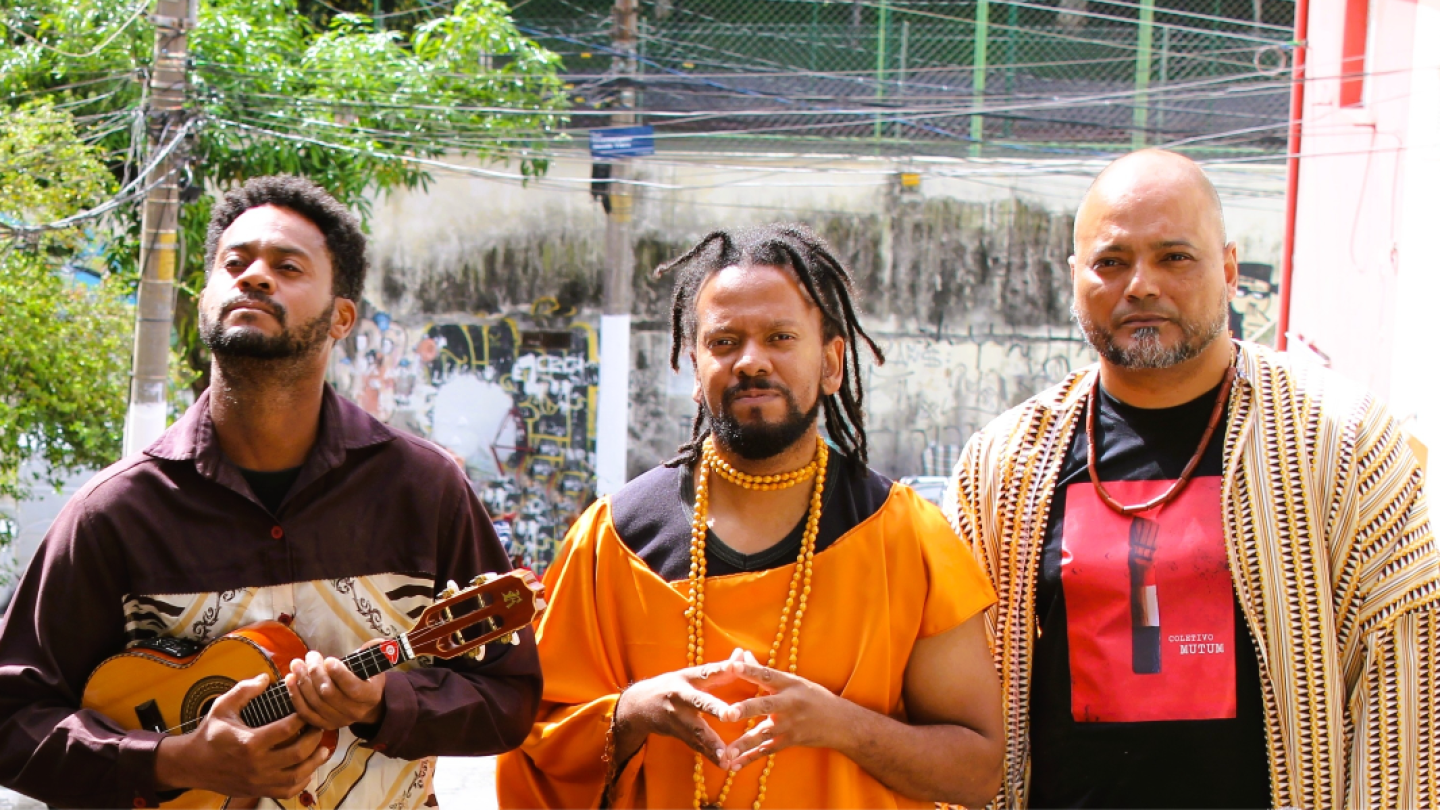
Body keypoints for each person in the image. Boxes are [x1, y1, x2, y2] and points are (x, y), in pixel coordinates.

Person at [0, 176, 542, 808]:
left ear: (342, 316)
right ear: (204, 296)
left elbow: (508, 700)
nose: (255, 277)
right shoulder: (117, 511)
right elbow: (13, 718)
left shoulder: (424, 490)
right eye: (236, 263)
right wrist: (173, 760)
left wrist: (384, 702)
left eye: (287, 267)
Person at [946, 149, 1438, 810]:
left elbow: (1405, 678)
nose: (1142, 285)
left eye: (1175, 257)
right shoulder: (1004, 466)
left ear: (1230, 269)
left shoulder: (1342, 441)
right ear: (1074, 278)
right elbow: (956, 694)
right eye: (1111, 262)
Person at [496, 224, 1005, 810]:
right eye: (724, 342)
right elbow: (531, 750)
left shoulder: (905, 536)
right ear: (694, 368)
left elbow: (976, 772)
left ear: (833, 363)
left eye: (781, 337)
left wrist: (840, 725)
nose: (752, 361)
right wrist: (632, 712)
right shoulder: (615, 538)